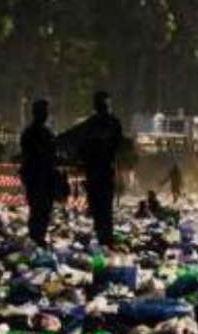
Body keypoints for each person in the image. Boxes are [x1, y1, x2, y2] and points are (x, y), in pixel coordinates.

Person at [61, 91, 123, 247]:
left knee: (100, 206)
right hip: (102, 172)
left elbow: (73, 138)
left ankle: (104, 237)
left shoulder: (93, 124)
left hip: (97, 171)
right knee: (102, 207)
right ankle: (105, 238)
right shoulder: (110, 123)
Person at [19, 99, 61, 246]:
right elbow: (49, 156)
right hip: (41, 178)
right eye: (44, 111)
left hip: (34, 178)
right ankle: (37, 238)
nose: (46, 114)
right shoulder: (44, 134)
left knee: (38, 210)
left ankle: (36, 237)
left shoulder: (29, 133)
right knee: (41, 210)